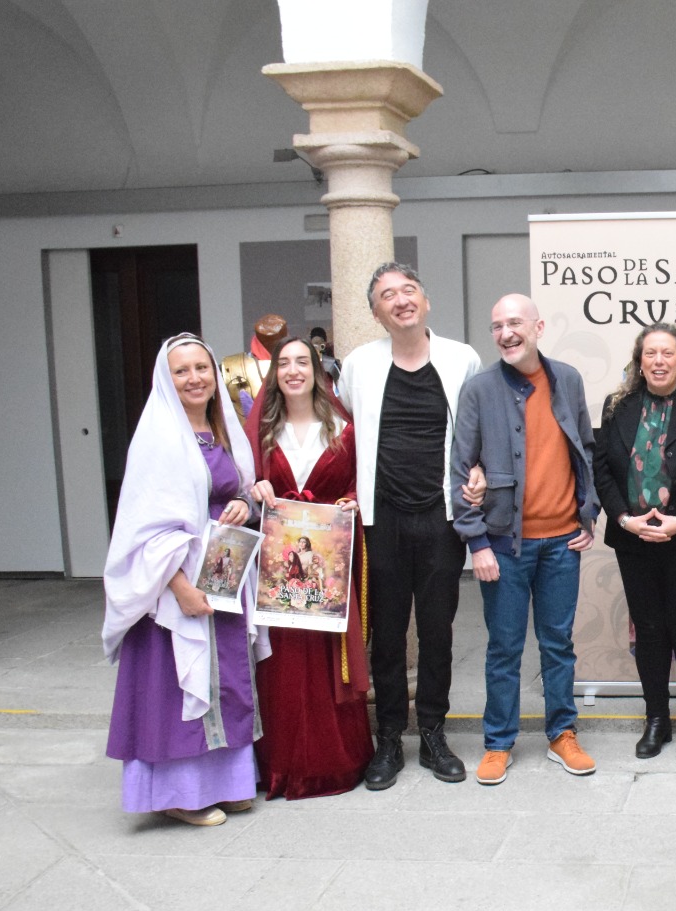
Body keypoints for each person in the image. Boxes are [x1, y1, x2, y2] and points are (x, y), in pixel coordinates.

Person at [102, 333, 267, 827]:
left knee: (228, 677)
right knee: (178, 685)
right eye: (182, 370)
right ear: (165, 379)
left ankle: (228, 783)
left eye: (202, 368)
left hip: (223, 572)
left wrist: (244, 504)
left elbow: (234, 492)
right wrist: (179, 588)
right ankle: (178, 792)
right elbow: (143, 526)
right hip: (178, 587)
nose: (194, 378)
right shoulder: (158, 438)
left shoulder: (222, 431)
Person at [337, 262, 483, 789]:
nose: (400, 300)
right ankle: (389, 738)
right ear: (375, 311)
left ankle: (434, 733)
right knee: (388, 634)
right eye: (386, 295)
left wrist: (480, 470)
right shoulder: (357, 364)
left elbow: (476, 428)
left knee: (440, 630)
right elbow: (352, 430)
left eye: (408, 290)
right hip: (384, 520)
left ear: (426, 300)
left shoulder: (461, 358)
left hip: (441, 517)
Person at [451, 293, 600, 785]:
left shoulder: (568, 380)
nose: (505, 333)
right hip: (504, 547)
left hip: (562, 543)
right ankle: (498, 742)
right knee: (504, 648)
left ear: (537, 327)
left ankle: (562, 733)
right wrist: (476, 544)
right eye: (496, 326)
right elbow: (459, 471)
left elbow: (586, 452)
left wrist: (588, 515)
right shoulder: (478, 391)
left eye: (514, 323)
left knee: (558, 644)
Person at [245, 335, 373, 800]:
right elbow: (238, 487)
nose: (294, 370)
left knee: (326, 661)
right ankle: (279, 765)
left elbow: (365, 481)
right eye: (285, 363)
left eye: (304, 361)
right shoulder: (259, 431)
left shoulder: (344, 427)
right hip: (278, 565)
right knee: (280, 662)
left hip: (328, 561)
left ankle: (334, 763)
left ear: (318, 371)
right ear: (274, 373)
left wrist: (351, 503)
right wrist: (255, 490)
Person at [593, 323, 676, 764]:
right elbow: (603, 471)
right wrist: (626, 520)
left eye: (668, 353)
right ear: (639, 361)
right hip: (636, 540)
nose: (659, 361)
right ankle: (656, 721)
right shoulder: (618, 405)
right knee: (649, 632)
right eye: (651, 353)